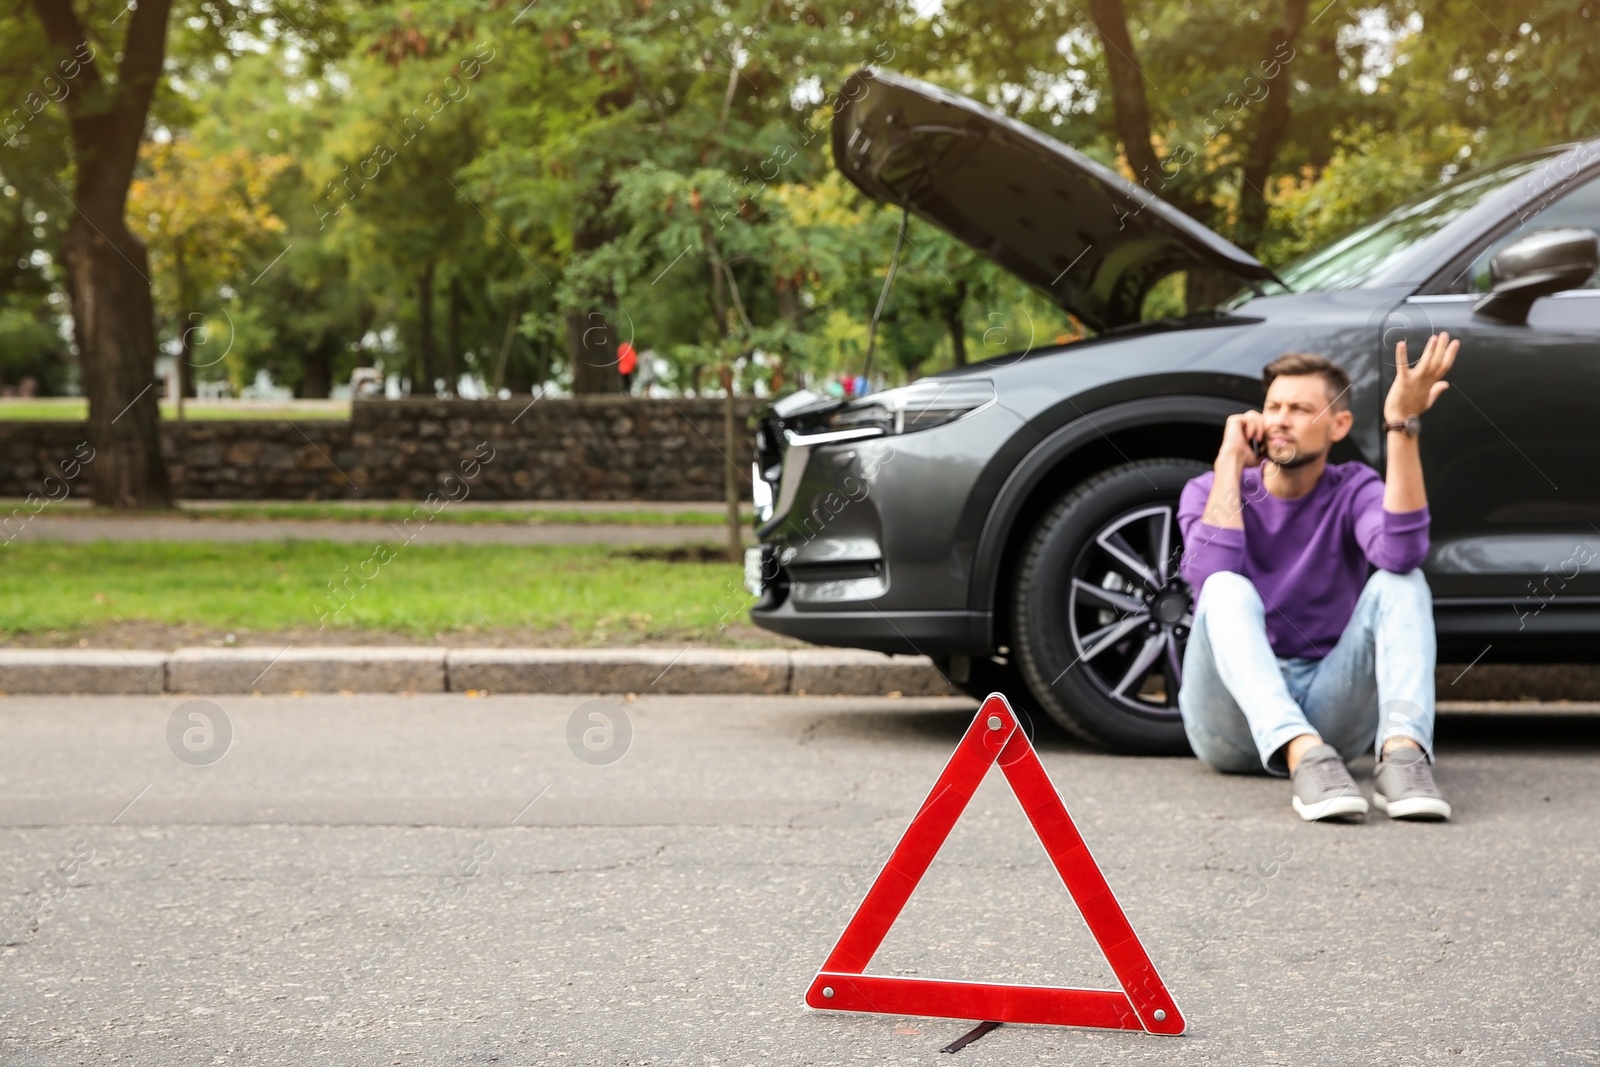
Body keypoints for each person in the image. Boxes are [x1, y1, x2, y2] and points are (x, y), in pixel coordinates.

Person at [1175, 334, 1460, 823]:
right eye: (1273, 406)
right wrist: (1228, 463)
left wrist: (1401, 426)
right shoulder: (1209, 489)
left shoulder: (1354, 489)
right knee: (1225, 586)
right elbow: (1207, 578)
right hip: (1228, 721)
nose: (1281, 419)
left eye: (1300, 409)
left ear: (1338, 424)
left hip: (1331, 709)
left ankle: (1403, 757)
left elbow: (1402, 551)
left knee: (1402, 582)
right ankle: (1301, 751)